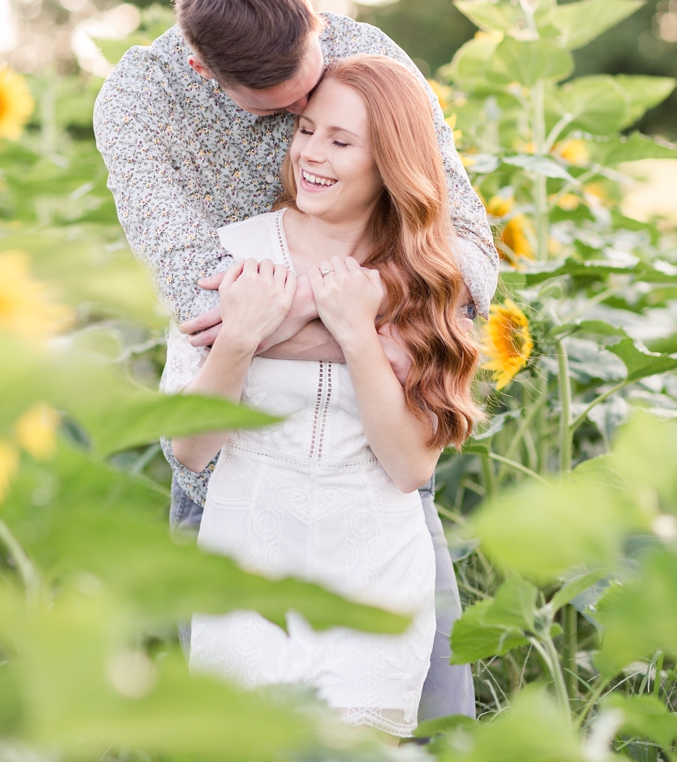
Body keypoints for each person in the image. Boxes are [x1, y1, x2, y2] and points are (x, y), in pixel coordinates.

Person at [93, 0, 493, 721]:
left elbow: (469, 260)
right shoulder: (139, 105)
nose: (306, 141)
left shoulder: (366, 55)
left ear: (314, 15)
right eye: (291, 113)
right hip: (235, 468)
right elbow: (204, 303)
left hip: (376, 449)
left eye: (322, 102)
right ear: (206, 72)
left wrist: (338, 327)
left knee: (434, 714)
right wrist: (386, 326)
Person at [166, 56, 480, 737]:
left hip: (373, 582)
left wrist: (358, 334)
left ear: (390, 160)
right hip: (246, 573)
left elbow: (410, 468)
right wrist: (240, 337)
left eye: (341, 141)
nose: (311, 153)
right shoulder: (231, 258)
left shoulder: (424, 281)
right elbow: (189, 450)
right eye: (306, 130)